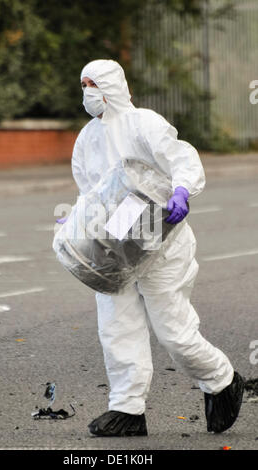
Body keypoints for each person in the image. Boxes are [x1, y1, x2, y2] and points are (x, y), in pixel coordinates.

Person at [68, 59, 244, 437]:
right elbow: (90, 192)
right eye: (83, 84)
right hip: (115, 247)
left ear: (111, 86)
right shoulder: (87, 140)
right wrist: (78, 222)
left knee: (174, 332)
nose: (87, 92)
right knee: (117, 327)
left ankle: (221, 379)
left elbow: (181, 157)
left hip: (162, 241)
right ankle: (127, 408)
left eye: (93, 84)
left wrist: (182, 188)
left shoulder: (144, 123)